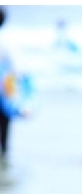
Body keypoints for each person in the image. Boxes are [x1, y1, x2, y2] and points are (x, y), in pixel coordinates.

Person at [0, 7, 31, 165]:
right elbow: (18, 69)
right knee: (4, 124)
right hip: (3, 90)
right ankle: (4, 154)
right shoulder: (7, 41)